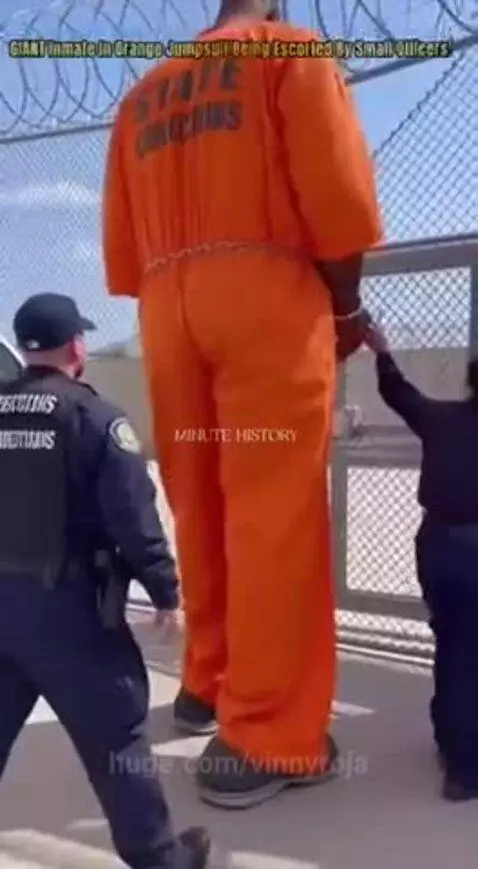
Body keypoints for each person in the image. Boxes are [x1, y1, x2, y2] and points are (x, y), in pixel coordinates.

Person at [102, 0, 382, 809]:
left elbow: (122, 250)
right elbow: (335, 196)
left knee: (202, 501)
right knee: (274, 511)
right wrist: (347, 308)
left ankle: (207, 681)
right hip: (263, 286)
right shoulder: (290, 53)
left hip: (166, 304)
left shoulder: (145, 93)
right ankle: (266, 737)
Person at [0, 292, 217, 868]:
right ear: (77, 346)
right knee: (118, 742)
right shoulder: (96, 418)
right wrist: (165, 589)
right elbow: (132, 516)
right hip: (71, 617)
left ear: (23, 348)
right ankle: (161, 861)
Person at [366, 320, 478, 803]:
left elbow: (399, 393)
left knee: (452, 646)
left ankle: (449, 741)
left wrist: (382, 350)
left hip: (438, 547)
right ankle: (465, 770)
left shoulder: (442, 419)